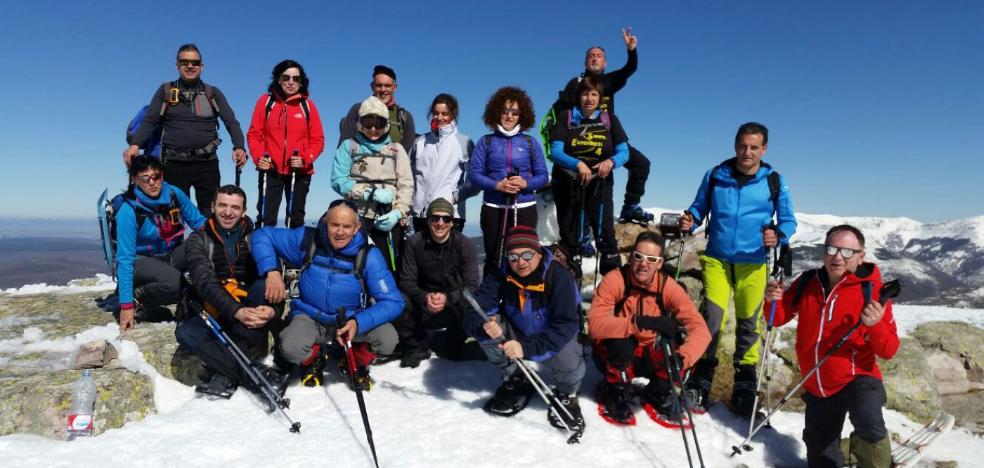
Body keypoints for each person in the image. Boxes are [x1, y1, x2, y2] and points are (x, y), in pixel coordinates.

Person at [679, 122, 797, 416]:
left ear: (764, 149)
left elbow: (788, 221)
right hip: (717, 259)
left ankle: (744, 381)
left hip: (753, 262)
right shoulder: (716, 175)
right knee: (712, 318)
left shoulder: (775, 181)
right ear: (735, 145)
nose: (747, 152)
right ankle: (701, 375)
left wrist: (778, 235)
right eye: (743, 146)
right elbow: (698, 208)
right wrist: (689, 220)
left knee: (748, 323)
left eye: (754, 147)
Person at [764, 225, 898, 467]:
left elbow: (888, 350)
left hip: (858, 378)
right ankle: (846, 450)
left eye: (847, 251)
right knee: (822, 459)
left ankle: (878, 461)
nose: (838, 256)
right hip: (818, 384)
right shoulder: (808, 282)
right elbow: (777, 318)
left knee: (867, 417)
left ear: (861, 255)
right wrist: (771, 300)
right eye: (832, 249)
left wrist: (876, 325)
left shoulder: (872, 291)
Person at [251, 199, 403, 390]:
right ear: (325, 223)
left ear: (356, 228)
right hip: (310, 315)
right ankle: (313, 359)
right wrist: (271, 272)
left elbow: (393, 302)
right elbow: (262, 236)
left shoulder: (369, 255)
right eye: (334, 225)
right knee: (291, 348)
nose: (340, 232)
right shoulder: (309, 240)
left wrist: (359, 322)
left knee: (387, 339)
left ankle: (353, 360)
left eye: (347, 226)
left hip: (350, 320)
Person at [463, 226, 585, 430]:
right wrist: (483, 325)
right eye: (513, 256)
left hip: (552, 333)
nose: (520, 262)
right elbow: (475, 310)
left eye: (527, 254)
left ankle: (566, 392)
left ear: (538, 253)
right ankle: (515, 376)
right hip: (518, 330)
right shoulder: (501, 274)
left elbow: (566, 324)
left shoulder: (559, 277)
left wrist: (526, 348)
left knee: (568, 350)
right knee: (489, 328)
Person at [588, 231, 710, 424]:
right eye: (638, 256)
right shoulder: (615, 280)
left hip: (650, 353)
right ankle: (615, 388)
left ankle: (659, 391)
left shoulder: (667, 287)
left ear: (660, 264)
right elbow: (595, 326)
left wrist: (682, 358)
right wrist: (637, 322)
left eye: (651, 259)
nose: (643, 264)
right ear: (630, 257)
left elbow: (700, 329)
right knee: (621, 342)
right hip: (619, 353)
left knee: (680, 353)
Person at [175, 185, 284, 399]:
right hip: (216, 309)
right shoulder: (198, 240)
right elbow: (204, 282)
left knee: (263, 287)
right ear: (213, 207)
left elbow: (273, 286)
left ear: (244, 211)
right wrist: (235, 311)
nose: (228, 212)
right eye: (222, 205)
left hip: (247, 312)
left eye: (235, 207)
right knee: (186, 333)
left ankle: (225, 373)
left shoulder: (257, 239)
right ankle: (254, 374)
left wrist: (272, 310)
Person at [124, 44, 247, 216]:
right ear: (177, 65)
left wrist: (239, 146)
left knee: (210, 213)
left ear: (201, 66)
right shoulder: (166, 91)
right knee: (173, 214)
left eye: (195, 62)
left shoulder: (212, 93)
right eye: (185, 62)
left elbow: (231, 122)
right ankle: (176, 244)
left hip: (207, 163)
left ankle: (208, 244)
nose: (190, 66)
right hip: (173, 163)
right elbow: (151, 120)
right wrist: (135, 145)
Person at [547, 28, 653, 225]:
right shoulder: (576, 84)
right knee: (582, 182)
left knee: (641, 164)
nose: (595, 59)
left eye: (599, 56)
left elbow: (629, 69)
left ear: (605, 62)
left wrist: (631, 50)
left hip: (608, 139)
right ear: (585, 62)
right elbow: (562, 113)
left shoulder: (609, 81)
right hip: (581, 139)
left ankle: (630, 205)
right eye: (591, 56)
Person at [114, 155, 206, 331]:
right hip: (140, 261)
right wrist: (126, 306)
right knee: (178, 285)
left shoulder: (173, 194)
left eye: (156, 177)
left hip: (168, 255)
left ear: (162, 176)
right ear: (134, 180)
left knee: (205, 242)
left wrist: (223, 240)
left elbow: (199, 223)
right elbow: (125, 259)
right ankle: (138, 295)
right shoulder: (129, 210)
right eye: (145, 178)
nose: (152, 183)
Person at [549, 75, 628, 277]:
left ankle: (611, 295)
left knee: (605, 236)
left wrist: (610, 162)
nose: (589, 98)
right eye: (585, 93)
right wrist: (578, 164)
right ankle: (570, 296)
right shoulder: (566, 117)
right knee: (570, 237)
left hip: (599, 185)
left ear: (600, 98)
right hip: (569, 184)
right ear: (579, 96)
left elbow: (623, 153)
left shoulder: (609, 119)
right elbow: (555, 151)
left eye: (594, 94)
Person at [468, 87, 549, 275]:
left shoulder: (530, 142)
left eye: (515, 112)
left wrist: (525, 183)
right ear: (497, 112)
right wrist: (497, 185)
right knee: (494, 257)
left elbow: (543, 176)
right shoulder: (486, 142)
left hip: (524, 208)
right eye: (505, 111)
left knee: (523, 257)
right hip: (493, 207)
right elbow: (475, 174)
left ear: (522, 115)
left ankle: (520, 301)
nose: (510, 116)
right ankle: (492, 301)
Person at [331, 96, 414, 272]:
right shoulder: (349, 146)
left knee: (384, 266)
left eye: (379, 123)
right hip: (357, 215)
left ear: (387, 125)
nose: (374, 129)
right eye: (368, 122)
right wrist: (368, 192)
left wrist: (398, 213)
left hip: (387, 215)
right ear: (360, 123)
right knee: (353, 262)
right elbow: (338, 180)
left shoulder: (396, 150)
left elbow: (406, 184)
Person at [394, 198, 480, 368]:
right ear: (428, 220)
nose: (440, 223)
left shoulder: (465, 245)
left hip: (453, 306)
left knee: (475, 300)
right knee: (397, 299)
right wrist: (425, 297)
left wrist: (447, 298)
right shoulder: (414, 242)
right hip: (422, 305)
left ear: (452, 223)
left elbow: (472, 284)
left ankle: (453, 340)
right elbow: (406, 281)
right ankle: (416, 345)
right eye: (435, 218)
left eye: (446, 219)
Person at [247, 59, 325, 228]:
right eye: (286, 77)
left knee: (295, 218)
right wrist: (259, 158)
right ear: (278, 79)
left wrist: (305, 159)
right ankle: (263, 254)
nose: (291, 82)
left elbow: (318, 140)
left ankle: (293, 254)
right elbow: (254, 134)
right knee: (266, 217)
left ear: (301, 82)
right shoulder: (266, 102)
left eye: (296, 78)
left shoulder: (308, 106)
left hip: (299, 171)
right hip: (270, 169)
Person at [409, 93, 476, 233]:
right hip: (420, 214)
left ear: (453, 115)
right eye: (436, 113)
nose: (440, 117)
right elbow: (408, 176)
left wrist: (454, 198)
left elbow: (474, 181)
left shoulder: (464, 142)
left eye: (445, 113)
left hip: (449, 215)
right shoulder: (420, 142)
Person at [338, 65, 416, 152]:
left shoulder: (405, 117)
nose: (383, 89)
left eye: (387, 86)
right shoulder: (357, 110)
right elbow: (343, 149)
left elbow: (408, 155)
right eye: (379, 85)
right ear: (372, 86)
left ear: (395, 88)